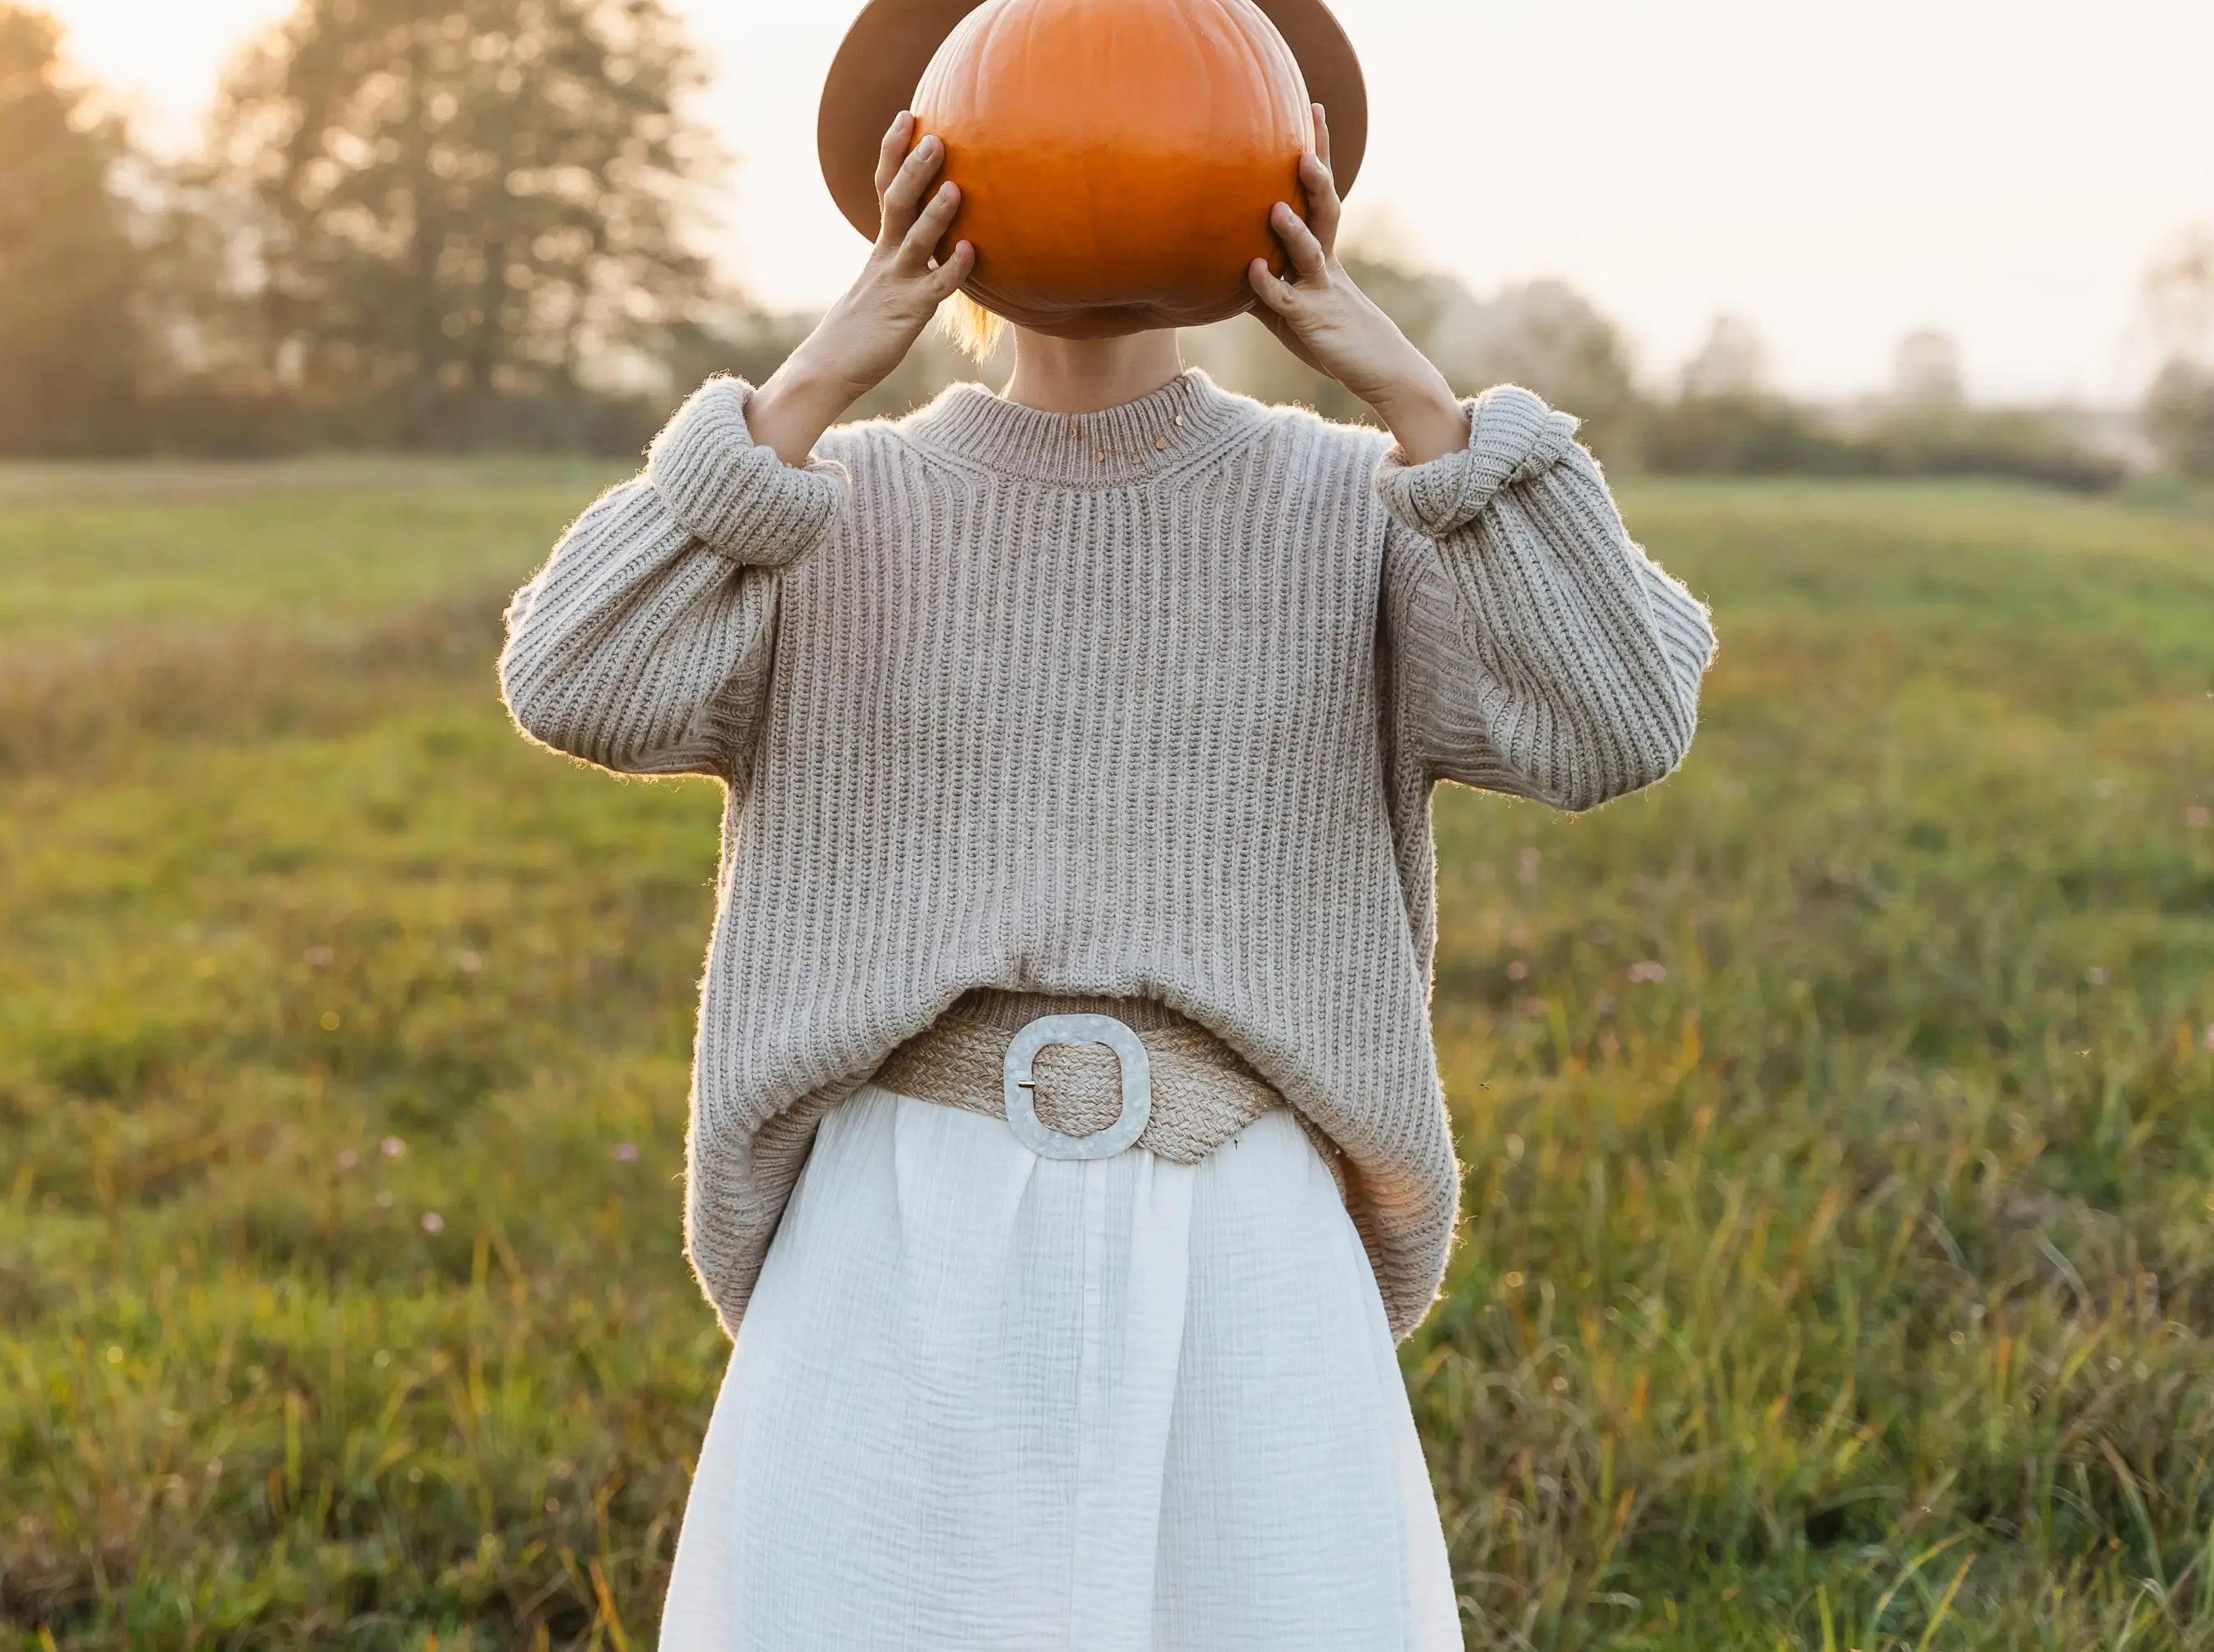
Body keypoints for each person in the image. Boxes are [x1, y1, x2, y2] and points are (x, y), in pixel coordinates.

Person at [499, 107, 1714, 1649]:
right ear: (921, 181)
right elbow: (571, 676)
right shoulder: (824, 499)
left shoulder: (1360, 501)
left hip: (1249, 1229)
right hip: (892, 1222)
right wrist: (810, 382)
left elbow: (1616, 717)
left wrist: (1416, 397)